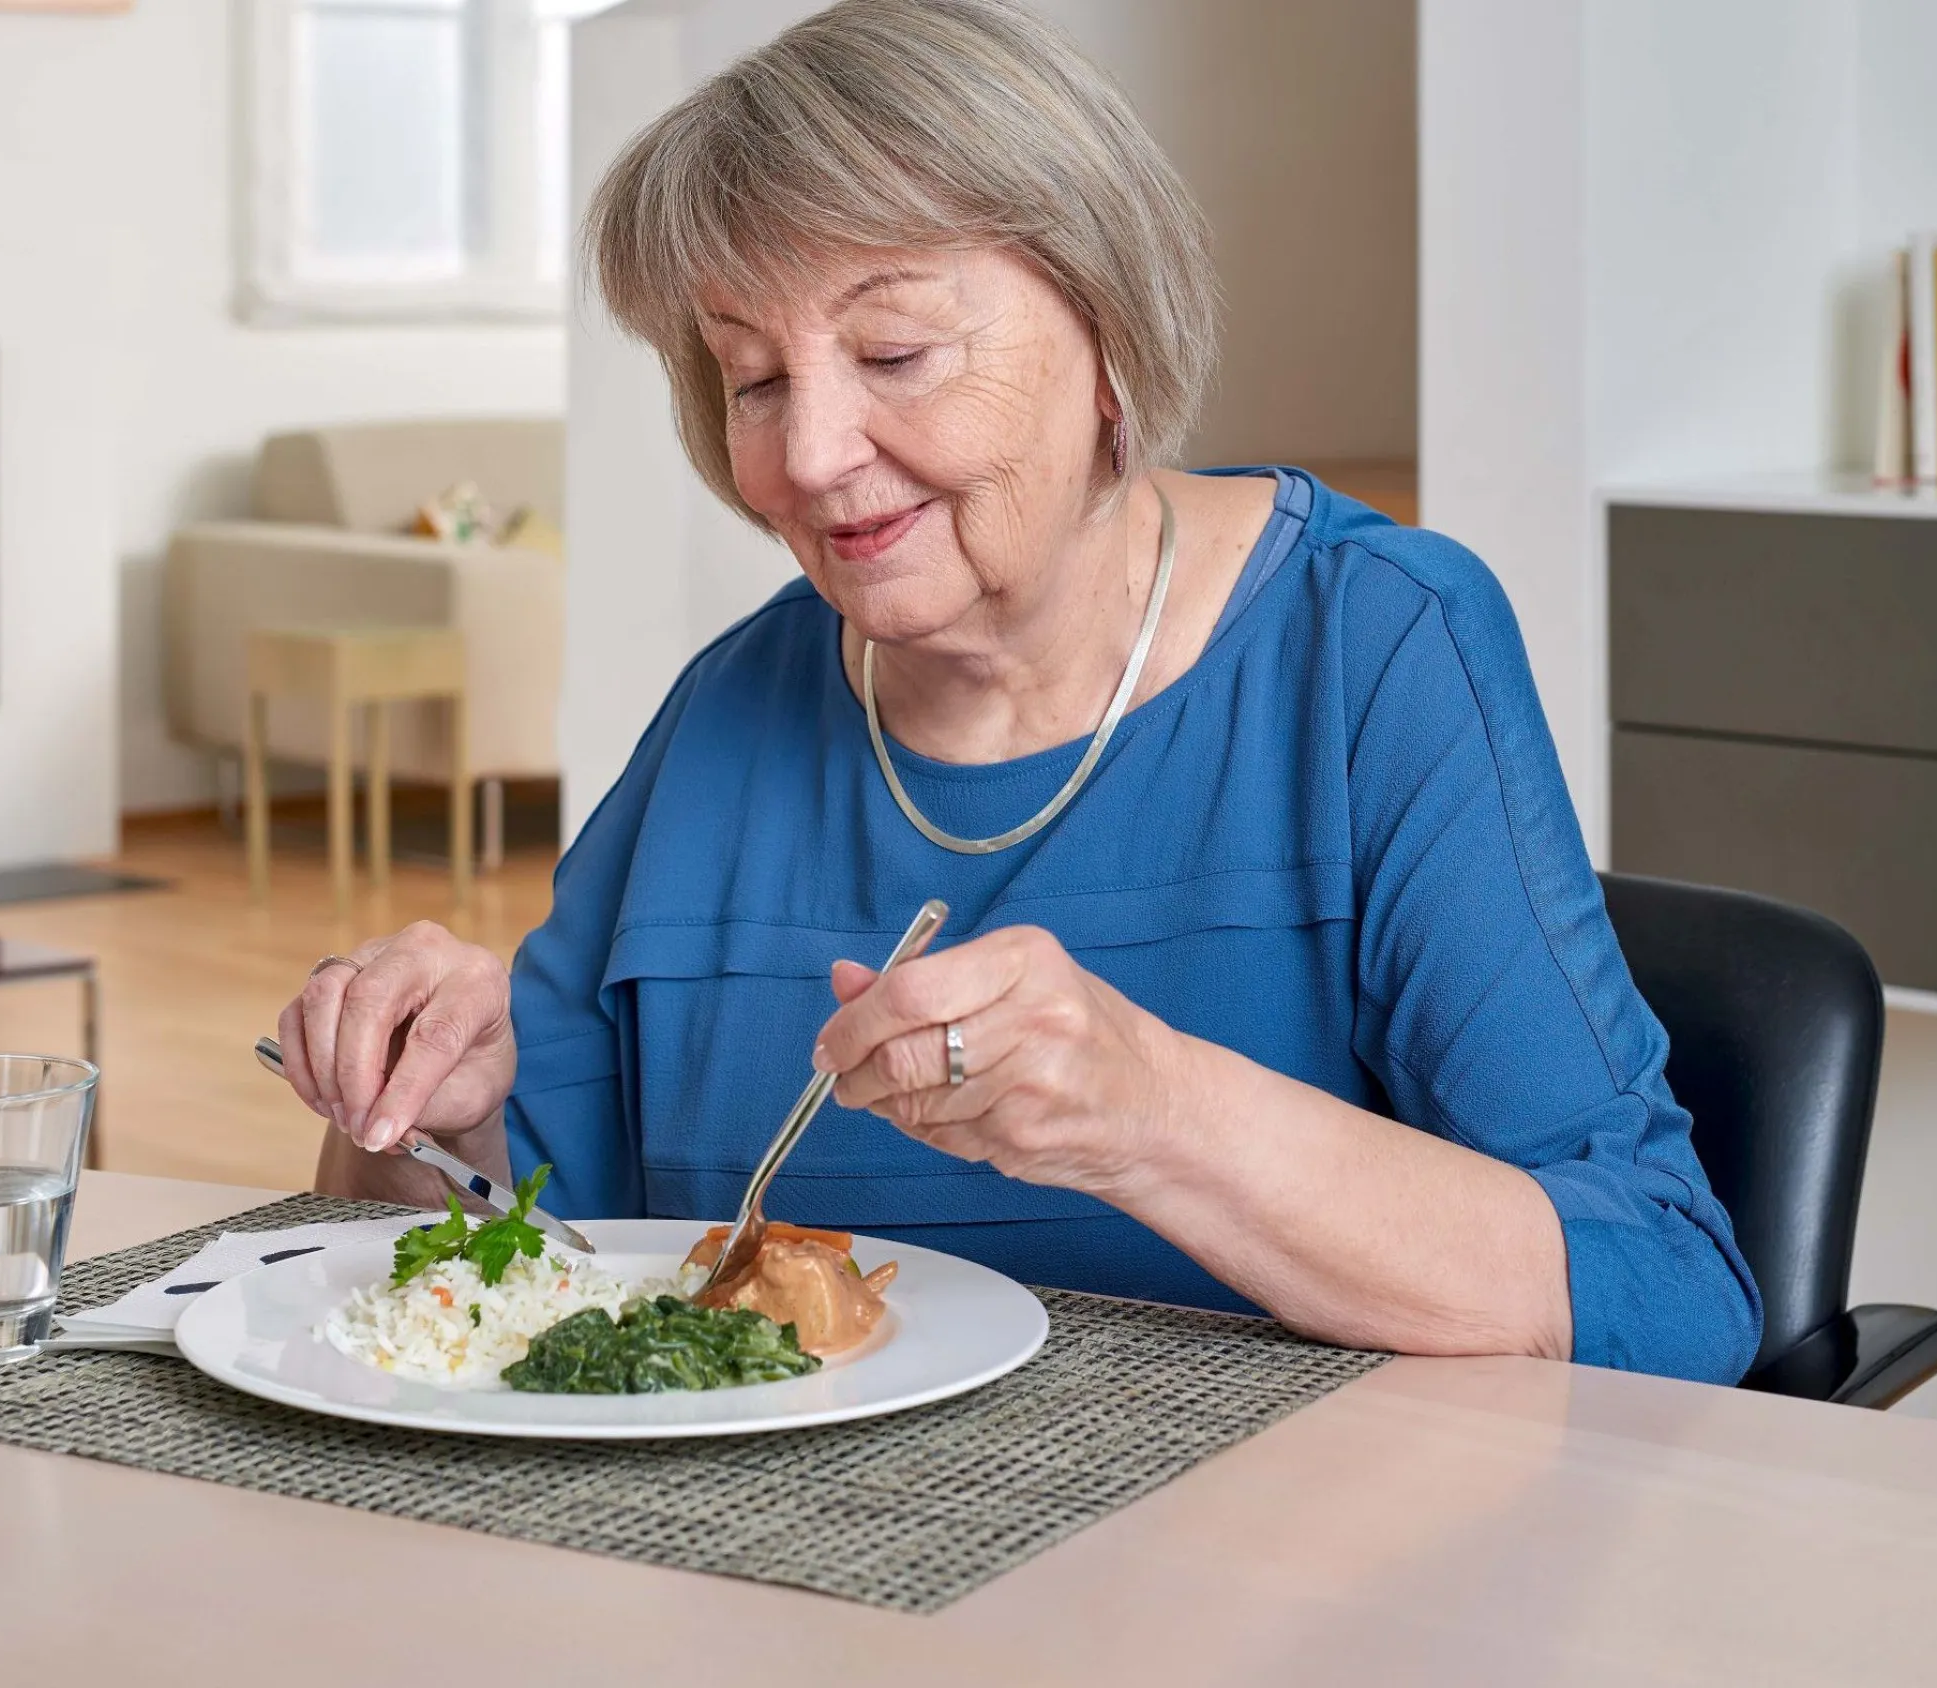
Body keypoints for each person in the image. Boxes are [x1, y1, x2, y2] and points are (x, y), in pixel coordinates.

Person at [273, 0, 1760, 1382]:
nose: (809, 456)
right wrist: (428, 1106)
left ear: (1108, 331)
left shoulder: (1373, 649)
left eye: (895, 351)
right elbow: (489, 1261)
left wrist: (1155, 1112)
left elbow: (1666, 1295)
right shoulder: (724, 716)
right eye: (755, 381)